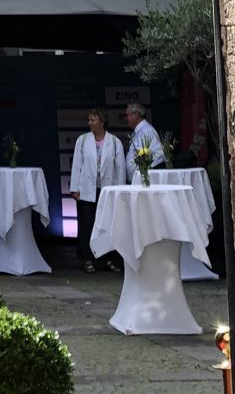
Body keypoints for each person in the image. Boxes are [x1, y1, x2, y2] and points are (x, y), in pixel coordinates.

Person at [69, 107, 126, 272]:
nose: (90, 123)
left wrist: (120, 190)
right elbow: (77, 165)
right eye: (89, 120)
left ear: (102, 122)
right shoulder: (82, 140)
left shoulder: (114, 142)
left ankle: (108, 259)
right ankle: (88, 259)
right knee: (87, 224)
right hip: (87, 191)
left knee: (108, 225)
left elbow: (120, 168)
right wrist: (75, 188)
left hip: (107, 191)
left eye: (93, 120)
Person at [125, 100, 166, 173]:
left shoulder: (147, 131)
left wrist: (144, 171)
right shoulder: (140, 131)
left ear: (136, 115)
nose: (126, 118)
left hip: (145, 179)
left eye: (128, 115)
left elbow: (159, 155)